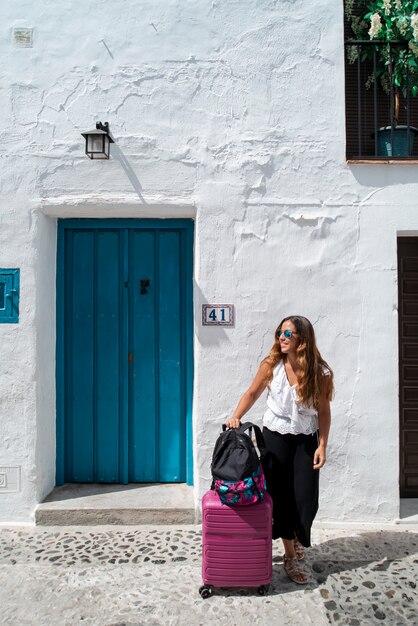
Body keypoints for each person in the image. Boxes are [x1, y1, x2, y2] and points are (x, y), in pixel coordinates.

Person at [226, 315, 333, 584]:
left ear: (302, 341)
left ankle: (295, 536)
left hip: (306, 439)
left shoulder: (319, 373)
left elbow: (323, 411)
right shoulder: (271, 365)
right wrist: (235, 416)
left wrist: (322, 444)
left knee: (305, 498)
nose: (281, 338)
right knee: (282, 497)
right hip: (275, 437)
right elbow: (252, 393)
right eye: (279, 333)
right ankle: (289, 555)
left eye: (288, 334)